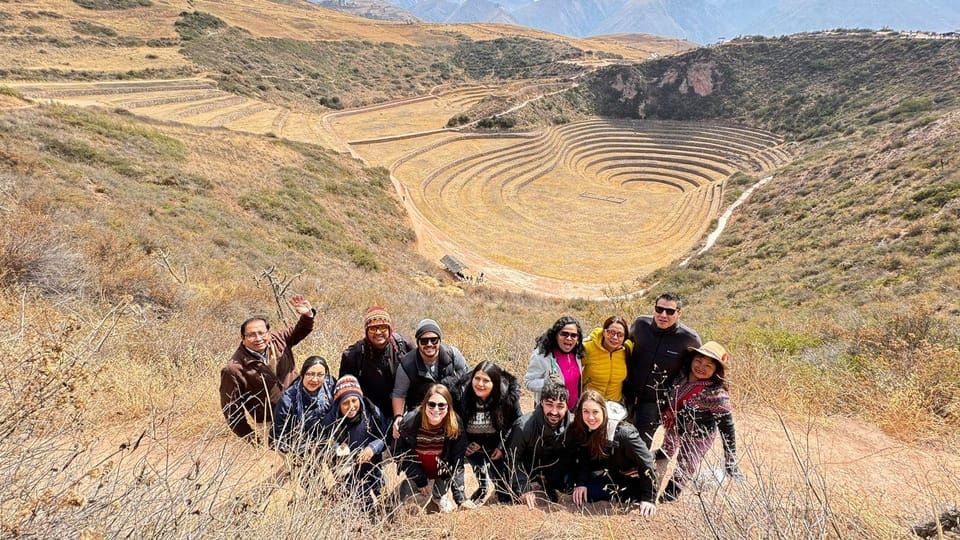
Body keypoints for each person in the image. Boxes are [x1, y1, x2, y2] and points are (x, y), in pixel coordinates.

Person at [220, 294, 316, 440]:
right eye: (251, 335)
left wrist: (308, 315)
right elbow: (232, 410)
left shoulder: (279, 340)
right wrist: (251, 437)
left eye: (261, 333)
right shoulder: (234, 369)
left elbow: (300, 330)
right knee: (285, 460)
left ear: (269, 333)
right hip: (270, 422)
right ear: (243, 339)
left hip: (300, 409)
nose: (258, 338)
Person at [659, 341, 743, 502]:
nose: (701, 367)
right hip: (675, 426)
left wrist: (730, 460)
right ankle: (659, 466)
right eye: (698, 361)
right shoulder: (680, 376)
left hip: (698, 436)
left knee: (686, 463)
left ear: (716, 370)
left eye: (708, 365)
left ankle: (669, 496)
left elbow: (727, 428)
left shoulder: (716, 395)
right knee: (666, 448)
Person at [625, 292, 701, 447]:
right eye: (659, 309)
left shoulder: (689, 338)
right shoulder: (640, 324)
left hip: (655, 401)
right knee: (618, 432)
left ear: (679, 313)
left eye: (670, 311)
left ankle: (637, 470)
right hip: (627, 393)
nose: (663, 315)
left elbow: (699, 367)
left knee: (641, 443)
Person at [567, 389, 657, 517]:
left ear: (604, 411)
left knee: (591, 493)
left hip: (630, 476)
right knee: (573, 485)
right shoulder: (586, 427)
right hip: (609, 468)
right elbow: (584, 457)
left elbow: (647, 463)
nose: (590, 417)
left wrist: (649, 498)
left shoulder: (624, 434)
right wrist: (581, 483)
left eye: (595, 412)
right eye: (585, 411)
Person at [394, 384, 474, 512]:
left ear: (448, 407)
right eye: (431, 404)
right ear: (425, 405)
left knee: (440, 499)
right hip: (419, 471)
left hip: (441, 473)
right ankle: (408, 489)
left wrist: (461, 499)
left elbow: (457, 463)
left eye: (441, 405)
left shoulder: (455, 424)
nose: (436, 409)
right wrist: (419, 479)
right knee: (404, 504)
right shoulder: (411, 421)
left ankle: (438, 496)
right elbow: (400, 453)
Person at [451, 361, 522, 504]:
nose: (480, 384)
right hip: (471, 444)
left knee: (506, 495)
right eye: (477, 379)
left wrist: (501, 447)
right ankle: (482, 485)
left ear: (494, 383)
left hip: (496, 445)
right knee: (475, 464)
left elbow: (517, 424)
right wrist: (466, 444)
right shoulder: (461, 395)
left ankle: (500, 487)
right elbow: (456, 424)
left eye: (486, 381)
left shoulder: (506, 397)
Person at [321, 375, 389, 511]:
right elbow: (323, 444)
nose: (351, 406)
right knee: (360, 506)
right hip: (346, 470)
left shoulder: (371, 412)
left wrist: (372, 448)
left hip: (372, 464)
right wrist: (337, 448)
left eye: (354, 400)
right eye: (346, 403)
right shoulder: (331, 420)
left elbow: (385, 436)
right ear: (338, 403)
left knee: (383, 498)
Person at [391, 319, 468, 437]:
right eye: (424, 341)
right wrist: (398, 417)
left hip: (451, 404)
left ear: (439, 341)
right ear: (417, 342)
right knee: (404, 426)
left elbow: (466, 377)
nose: (429, 344)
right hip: (422, 407)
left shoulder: (452, 354)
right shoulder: (407, 364)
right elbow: (399, 394)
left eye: (434, 340)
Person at [505, 381, 574, 508]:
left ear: (567, 406)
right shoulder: (524, 426)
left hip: (556, 468)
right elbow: (513, 458)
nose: (554, 412)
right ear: (541, 402)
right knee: (505, 494)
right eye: (549, 405)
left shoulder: (574, 426)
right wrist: (523, 487)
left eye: (560, 406)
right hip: (528, 468)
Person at [339, 307, 413, 418]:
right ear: (366, 331)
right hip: (368, 411)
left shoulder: (404, 346)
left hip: (402, 407)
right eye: (372, 329)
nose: (378, 332)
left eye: (382, 327)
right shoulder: (353, 355)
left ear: (389, 329)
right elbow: (346, 390)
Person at [269, 356, 336, 455]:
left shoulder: (331, 385)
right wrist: (300, 452)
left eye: (320, 375)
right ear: (302, 374)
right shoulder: (288, 400)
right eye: (310, 374)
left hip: (327, 440)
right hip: (299, 446)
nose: (314, 379)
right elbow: (276, 438)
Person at [524, 316, 584, 407]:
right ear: (556, 335)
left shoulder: (578, 354)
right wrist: (548, 383)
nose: (569, 338)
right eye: (564, 334)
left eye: (573, 335)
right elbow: (529, 382)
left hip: (573, 411)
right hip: (550, 413)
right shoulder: (542, 355)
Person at [582, 316, 633, 403]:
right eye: (611, 332)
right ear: (604, 332)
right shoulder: (588, 347)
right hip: (590, 402)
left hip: (614, 405)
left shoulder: (627, 349)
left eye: (620, 335)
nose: (615, 337)